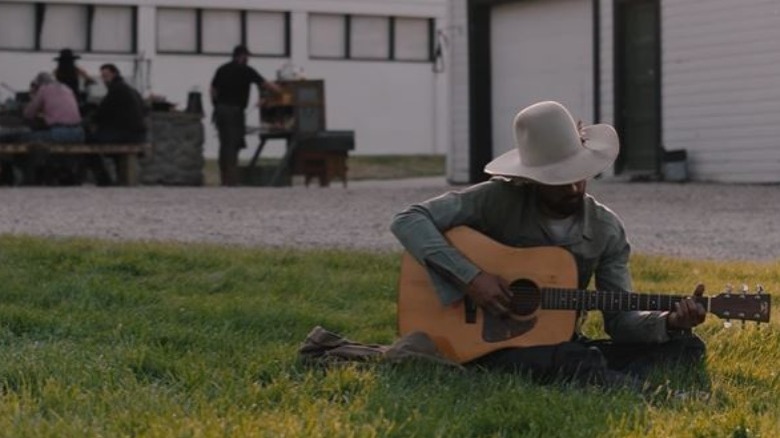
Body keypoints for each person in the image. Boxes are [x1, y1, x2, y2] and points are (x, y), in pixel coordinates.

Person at [390, 101, 707, 388]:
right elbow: (409, 220)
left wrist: (670, 322)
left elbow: (621, 321)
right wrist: (471, 278)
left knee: (687, 347)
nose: (572, 187)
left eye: (578, 174)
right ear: (531, 179)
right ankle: (630, 386)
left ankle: (593, 375)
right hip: (497, 343)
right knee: (572, 358)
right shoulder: (497, 199)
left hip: (557, 341)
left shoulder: (605, 230)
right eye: (558, 178)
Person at [210, 45, 282, 186]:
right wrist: (282, 91)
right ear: (241, 56)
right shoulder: (246, 70)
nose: (248, 59)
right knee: (233, 144)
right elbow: (266, 84)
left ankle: (224, 178)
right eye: (247, 56)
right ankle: (231, 181)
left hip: (220, 111)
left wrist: (216, 105)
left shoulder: (222, 69)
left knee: (224, 143)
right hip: (234, 111)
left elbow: (212, 89)